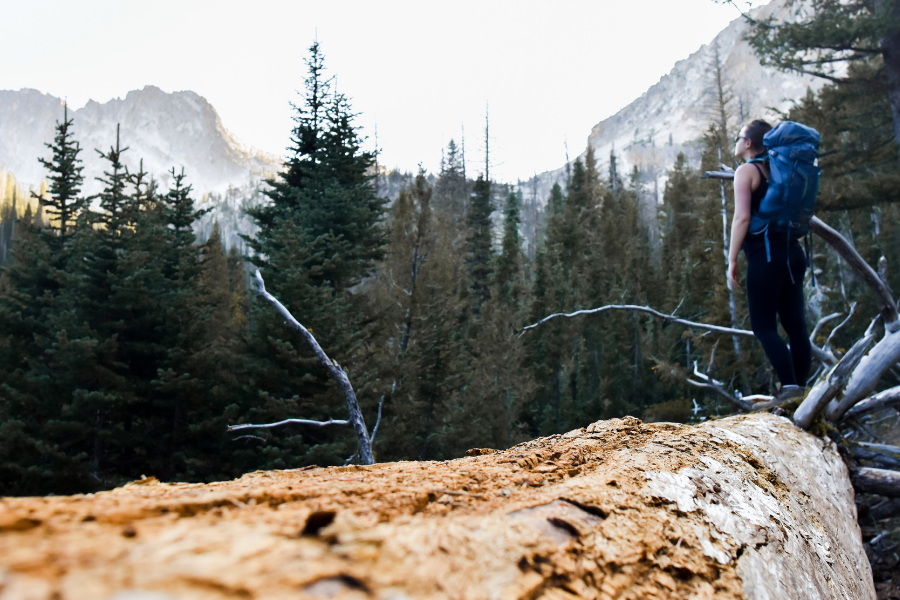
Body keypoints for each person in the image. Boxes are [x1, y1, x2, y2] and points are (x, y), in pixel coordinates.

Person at [727, 120, 811, 401]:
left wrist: (732, 259)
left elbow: (742, 218)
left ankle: (789, 389)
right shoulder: (782, 168)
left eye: (739, 138)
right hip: (794, 254)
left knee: (763, 327)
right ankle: (800, 389)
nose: (737, 142)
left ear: (749, 143)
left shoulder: (746, 171)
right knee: (796, 326)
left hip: (766, 257)